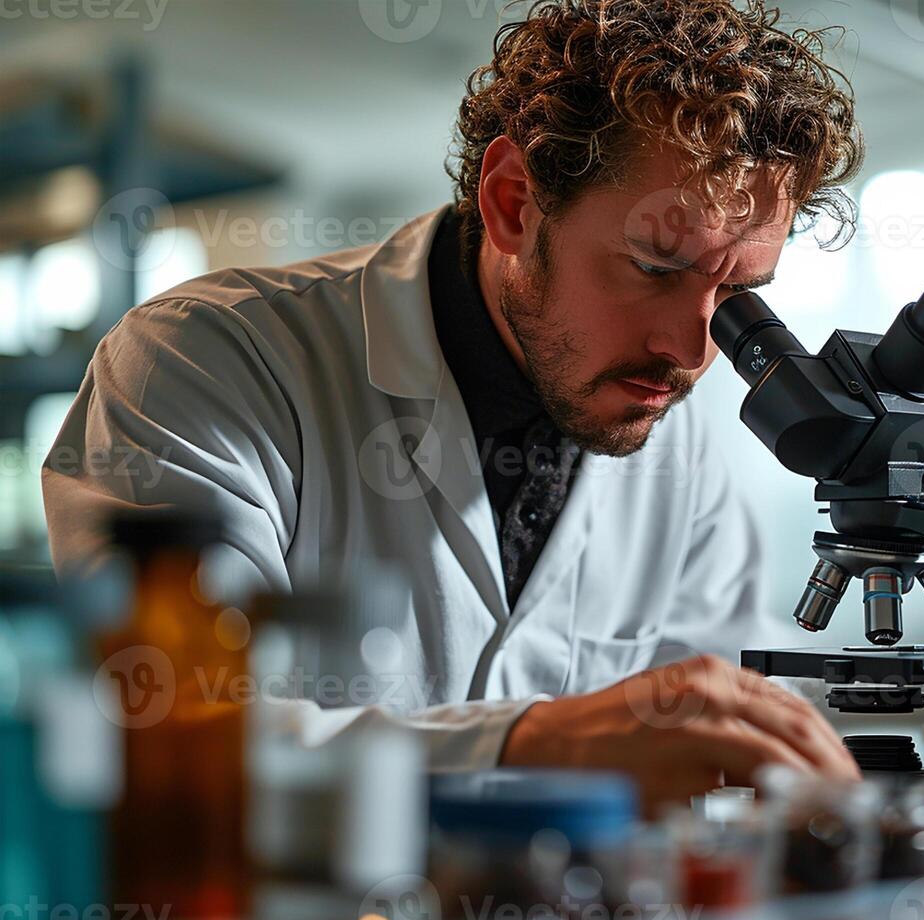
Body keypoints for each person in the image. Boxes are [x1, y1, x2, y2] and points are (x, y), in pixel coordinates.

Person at [42, 0, 865, 808]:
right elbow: (172, 725)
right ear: (513, 202)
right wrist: (533, 744)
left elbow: (727, 749)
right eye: (653, 266)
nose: (691, 353)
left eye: (736, 295)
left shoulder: (682, 462)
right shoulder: (209, 361)